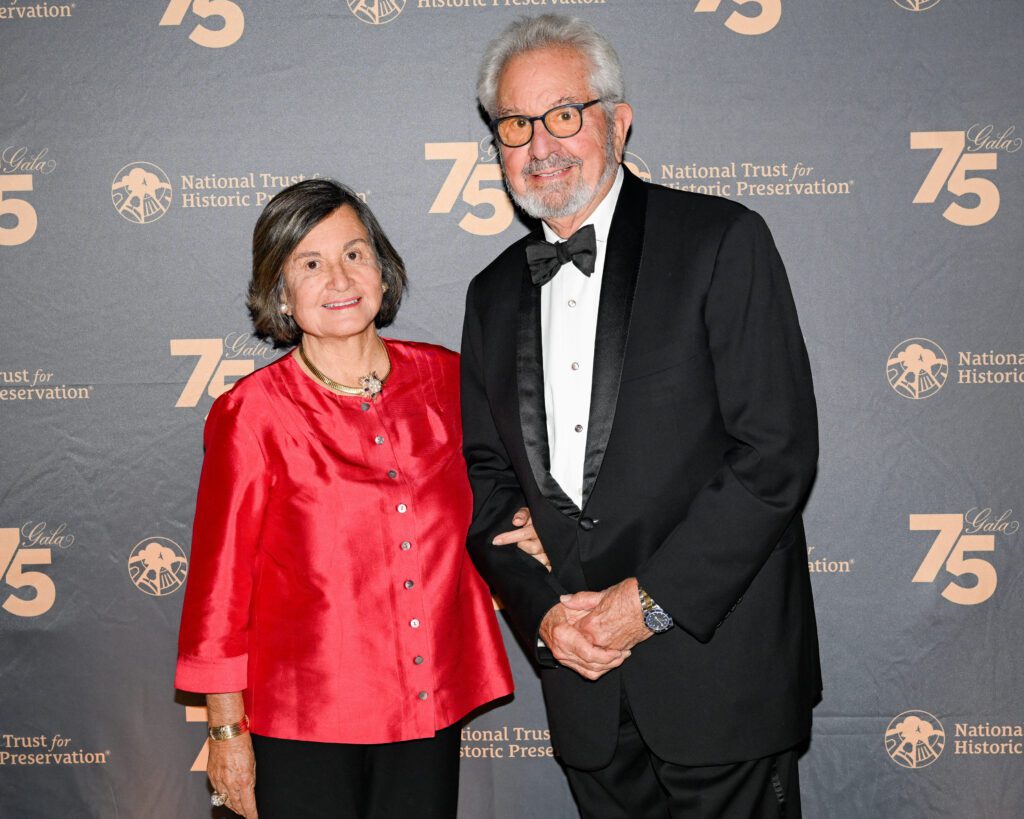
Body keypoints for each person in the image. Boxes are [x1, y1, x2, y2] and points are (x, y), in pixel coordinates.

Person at [462, 15, 821, 818]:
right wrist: (546, 616)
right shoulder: (490, 295)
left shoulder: (721, 240)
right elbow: (486, 481)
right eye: (515, 125)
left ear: (618, 123)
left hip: (718, 672)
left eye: (564, 114)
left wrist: (648, 602)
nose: (540, 145)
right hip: (584, 687)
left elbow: (776, 453)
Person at [175, 179, 513, 819]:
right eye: (310, 263)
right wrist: (226, 730)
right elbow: (220, 589)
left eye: (355, 254)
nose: (339, 278)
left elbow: (499, 497)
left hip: (426, 700)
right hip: (303, 719)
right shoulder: (251, 414)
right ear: (280, 291)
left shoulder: (448, 380)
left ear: (382, 271)